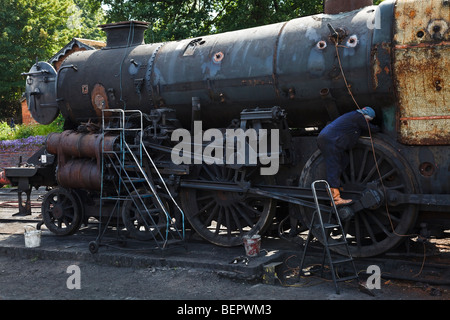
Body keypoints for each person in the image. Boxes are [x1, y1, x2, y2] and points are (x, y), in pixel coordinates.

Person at [317, 106, 380, 206]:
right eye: (368, 120)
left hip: (331, 139)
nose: (367, 121)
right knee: (334, 165)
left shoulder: (353, 115)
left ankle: (337, 186)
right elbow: (370, 128)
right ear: (366, 116)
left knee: (344, 160)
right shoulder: (359, 117)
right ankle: (335, 199)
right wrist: (379, 128)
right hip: (330, 141)